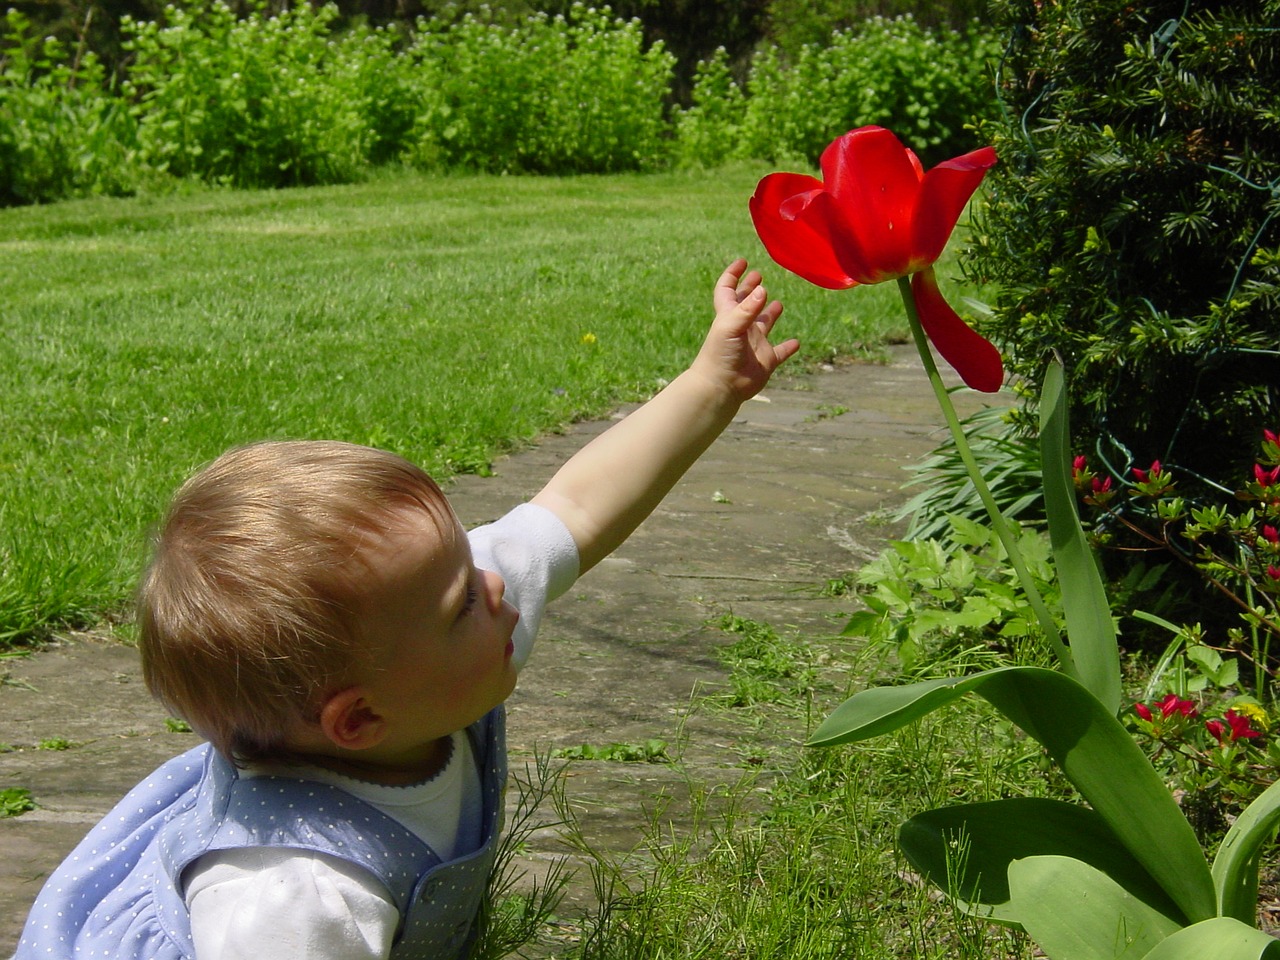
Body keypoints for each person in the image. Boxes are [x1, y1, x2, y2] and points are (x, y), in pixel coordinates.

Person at [15, 259, 798, 960]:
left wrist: (711, 384)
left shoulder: (425, 650)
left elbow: (574, 513)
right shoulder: (290, 897)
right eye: (464, 598)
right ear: (356, 723)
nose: (494, 583)